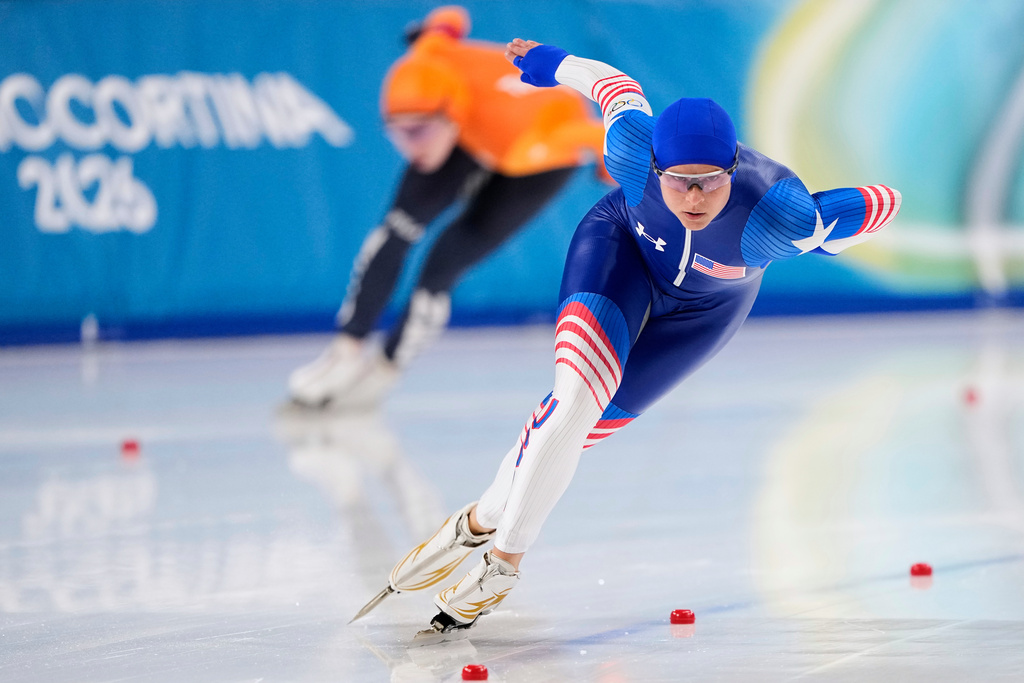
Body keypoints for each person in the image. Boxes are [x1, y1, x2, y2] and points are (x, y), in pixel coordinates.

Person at [351, 39, 902, 641]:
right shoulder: (632, 148)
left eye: (710, 183)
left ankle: (477, 521)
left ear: (733, 170)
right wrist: (550, 63)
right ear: (655, 168)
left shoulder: (781, 215)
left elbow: (879, 205)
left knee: (581, 429)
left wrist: (847, 223)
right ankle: (501, 567)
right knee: (574, 402)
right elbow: (613, 87)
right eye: (680, 182)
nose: (694, 198)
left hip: (708, 311)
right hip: (620, 254)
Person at [287, 7, 610, 410]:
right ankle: (346, 350)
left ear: (449, 116)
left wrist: (607, 166)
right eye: (400, 133)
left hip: (537, 158)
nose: (413, 148)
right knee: (396, 231)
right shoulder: (430, 56)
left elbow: (602, 135)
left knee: (444, 263)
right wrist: (435, 27)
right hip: (468, 126)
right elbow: (450, 18)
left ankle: (386, 367)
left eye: (420, 132)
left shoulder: (535, 135)